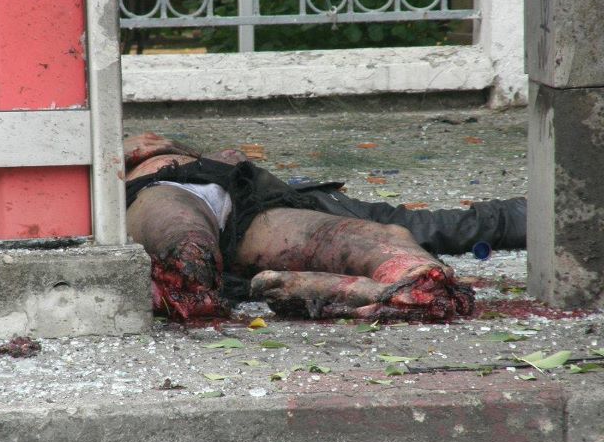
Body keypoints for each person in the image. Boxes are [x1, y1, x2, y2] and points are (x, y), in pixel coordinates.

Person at [124, 133, 525, 323]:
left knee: (396, 247)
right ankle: (341, 290)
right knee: (189, 257)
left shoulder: (195, 158)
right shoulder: (114, 152)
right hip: (161, 193)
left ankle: (357, 291)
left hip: (249, 209)